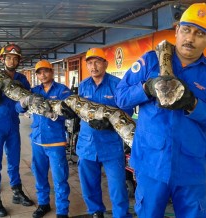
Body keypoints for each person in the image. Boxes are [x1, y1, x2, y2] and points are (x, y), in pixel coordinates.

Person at [115, 3, 206, 218]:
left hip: (190, 166)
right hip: (151, 163)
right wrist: (146, 88)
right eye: (186, 30)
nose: (191, 38)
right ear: (177, 30)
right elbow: (121, 98)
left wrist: (193, 105)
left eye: (200, 33)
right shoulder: (150, 61)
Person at [0, 44, 36, 217]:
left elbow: (22, 105)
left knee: (14, 162)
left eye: (15, 58)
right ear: (2, 59)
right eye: (9, 57)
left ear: (19, 61)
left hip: (13, 125)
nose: (12, 60)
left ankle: (17, 192)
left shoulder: (22, 79)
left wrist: (24, 106)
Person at [75, 48, 132, 218]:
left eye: (97, 61)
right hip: (86, 144)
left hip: (111, 146)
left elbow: (127, 110)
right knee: (89, 185)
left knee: (117, 187)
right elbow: (79, 110)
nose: (93, 66)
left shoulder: (118, 84)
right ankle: (95, 212)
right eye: (90, 63)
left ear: (105, 63)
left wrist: (109, 124)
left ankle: (121, 215)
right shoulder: (83, 85)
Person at [16, 60, 76, 218]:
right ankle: (43, 204)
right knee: (40, 175)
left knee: (59, 178)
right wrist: (23, 103)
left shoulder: (63, 91)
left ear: (52, 72)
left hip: (55, 141)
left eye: (46, 71)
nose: (43, 75)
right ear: (37, 75)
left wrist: (68, 113)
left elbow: (71, 112)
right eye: (39, 72)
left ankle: (62, 211)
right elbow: (18, 108)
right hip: (37, 140)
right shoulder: (33, 91)